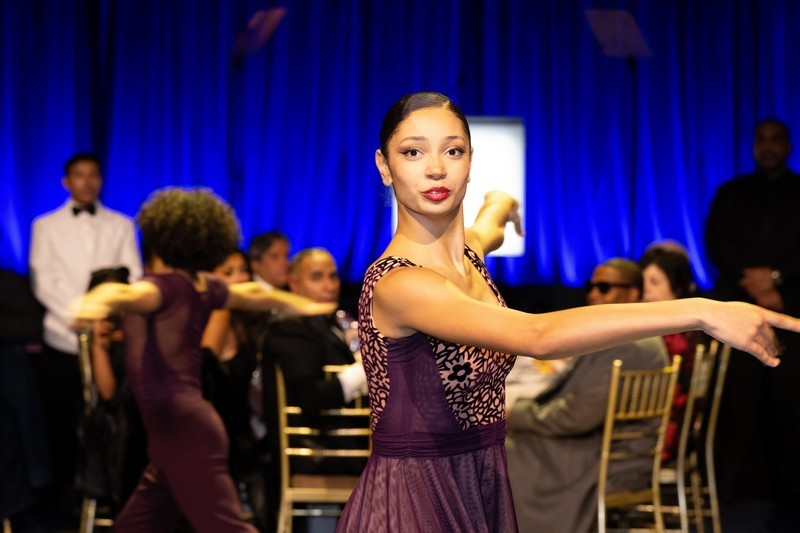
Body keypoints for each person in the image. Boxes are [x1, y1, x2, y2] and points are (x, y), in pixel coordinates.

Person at [335, 91, 800, 533]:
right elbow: (538, 336)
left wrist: (502, 203)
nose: (436, 168)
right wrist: (701, 310)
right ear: (384, 166)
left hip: (477, 482)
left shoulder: (468, 254)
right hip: (416, 498)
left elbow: (488, 224)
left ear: (471, 161)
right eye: (413, 153)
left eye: (453, 151)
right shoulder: (403, 284)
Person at [73, 188, 334, 532]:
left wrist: (92, 303)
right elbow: (250, 295)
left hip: (183, 429)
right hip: (174, 431)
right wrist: (301, 304)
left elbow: (123, 292)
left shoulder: (161, 287)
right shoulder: (201, 287)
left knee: (226, 527)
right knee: (133, 527)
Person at [506, 258, 668, 533]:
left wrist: (516, 413)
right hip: (614, 447)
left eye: (604, 288)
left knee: (501, 448)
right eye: (591, 286)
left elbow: (576, 416)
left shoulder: (625, 341)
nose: (593, 294)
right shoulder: (636, 333)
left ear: (632, 293)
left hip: (610, 458)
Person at [28, 152, 142, 528]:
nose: (87, 182)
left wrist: (103, 317)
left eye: (93, 175)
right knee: (64, 424)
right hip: (63, 337)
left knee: (110, 419)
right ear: (66, 181)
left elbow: (131, 275)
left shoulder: (121, 224)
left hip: (109, 336)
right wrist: (81, 313)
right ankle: (65, 507)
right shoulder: (45, 225)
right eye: (79, 175)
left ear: (101, 180)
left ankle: (111, 496)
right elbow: (44, 280)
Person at [705, 117, 800, 510]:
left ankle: (793, 491)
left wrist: (777, 279)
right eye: (761, 140)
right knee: (736, 403)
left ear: (788, 145)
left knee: (792, 405)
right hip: (737, 312)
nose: (768, 146)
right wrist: (756, 285)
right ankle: (731, 488)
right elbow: (716, 244)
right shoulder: (731, 193)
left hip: (792, 313)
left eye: (775, 139)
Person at [638, 246, 703, 461]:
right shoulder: (686, 329)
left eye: (655, 282)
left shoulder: (673, 337)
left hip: (660, 431)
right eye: (643, 282)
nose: (646, 291)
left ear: (677, 287)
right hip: (670, 426)